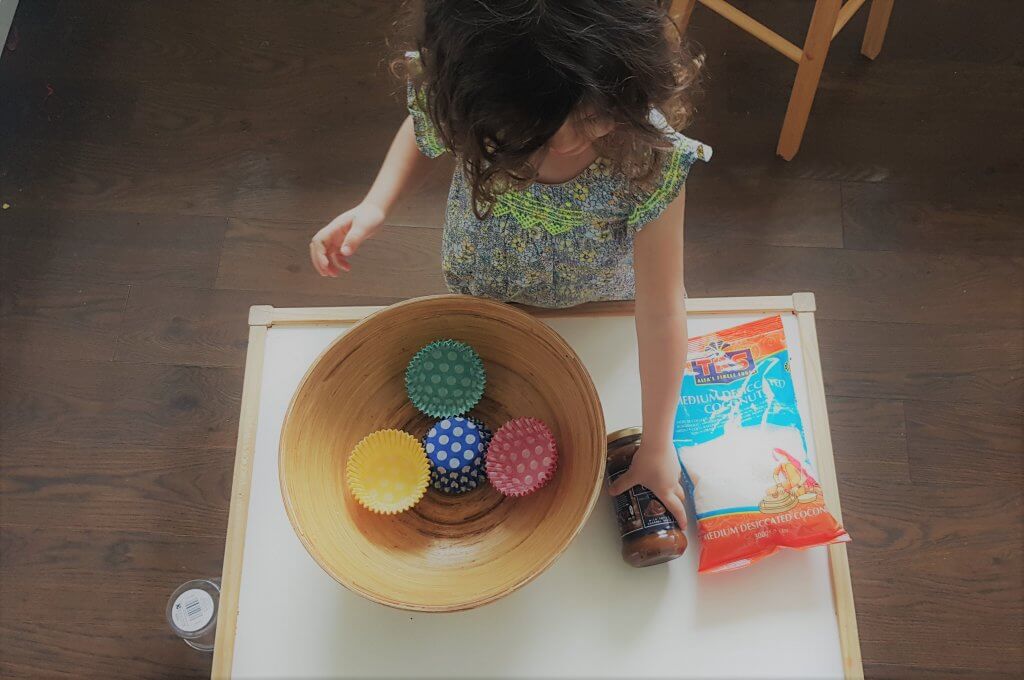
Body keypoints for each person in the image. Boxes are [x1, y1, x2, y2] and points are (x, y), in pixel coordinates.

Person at [309, 0, 711, 525]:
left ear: (630, 83)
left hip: (589, 305)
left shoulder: (646, 155)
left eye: (592, 117)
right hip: (481, 284)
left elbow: (661, 312)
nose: (566, 142)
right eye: (532, 130)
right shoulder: (481, 93)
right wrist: (376, 203)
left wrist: (659, 445)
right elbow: (423, 125)